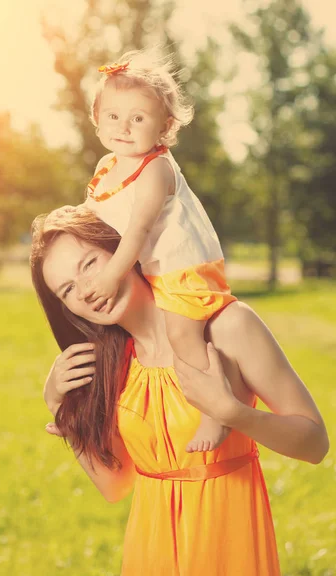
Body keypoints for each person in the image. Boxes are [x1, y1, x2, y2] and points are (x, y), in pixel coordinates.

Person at [30, 204, 329, 576]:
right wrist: (59, 406)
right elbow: (115, 485)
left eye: (90, 264)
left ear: (125, 250)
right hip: (151, 558)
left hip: (228, 553)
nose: (86, 290)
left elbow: (315, 443)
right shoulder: (110, 365)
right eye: (67, 290)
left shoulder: (228, 326)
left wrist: (233, 414)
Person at [83, 47, 237, 453]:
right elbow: (93, 211)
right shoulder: (107, 165)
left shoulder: (155, 169)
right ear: (97, 118)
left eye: (139, 119)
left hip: (184, 267)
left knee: (182, 334)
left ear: (164, 128)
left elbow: (137, 230)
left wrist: (112, 273)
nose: (124, 127)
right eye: (113, 116)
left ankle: (215, 411)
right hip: (153, 269)